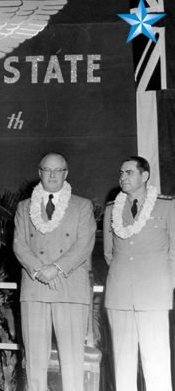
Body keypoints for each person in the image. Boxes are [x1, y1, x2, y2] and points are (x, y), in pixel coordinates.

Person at [13, 152, 96, 391]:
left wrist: (56, 268)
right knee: (34, 360)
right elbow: (19, 243)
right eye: (46, 170)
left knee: (71, 360)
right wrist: (39, 270)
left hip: (69, 288)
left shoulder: (82, 205)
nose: (51, 175)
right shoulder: (24, 207)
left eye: (57, 170)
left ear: (65, 174)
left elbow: (84, 244)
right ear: (39, 172)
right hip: (35, 287)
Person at [104, 156, 174, 391]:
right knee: (122, 363)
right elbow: (108, 253)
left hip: (152, 297)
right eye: (121, 173)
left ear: (144, 176)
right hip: (120, 295)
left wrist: (164, 286)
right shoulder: (112, 209)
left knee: (156, 362)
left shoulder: (166, 206)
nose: (123, 177)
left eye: (129, 172)